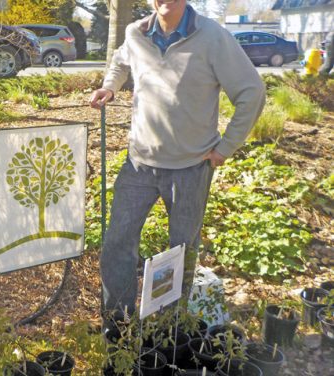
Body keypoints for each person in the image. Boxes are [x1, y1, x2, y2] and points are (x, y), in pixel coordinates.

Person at [89, 0, 266, 330]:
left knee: (180, 252)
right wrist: (110, 87)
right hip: (138, 165)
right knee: (117, 244)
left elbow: (252, 92)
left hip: (190, 168)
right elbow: (119, 60)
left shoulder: (212, 37)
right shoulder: (135, 33)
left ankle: (167, 330)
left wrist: (226, 147)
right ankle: (119, 323)